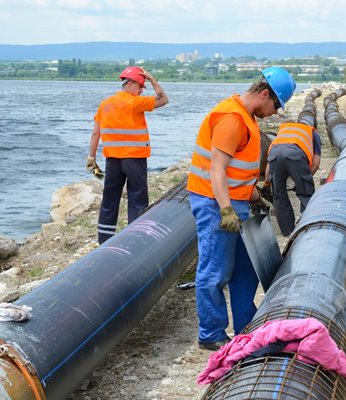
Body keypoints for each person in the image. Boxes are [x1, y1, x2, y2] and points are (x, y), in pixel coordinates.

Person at [187, 67, 296, 350]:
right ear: (264, 94)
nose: (274, 113)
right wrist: (225, 210)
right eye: (275, 105)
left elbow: (238, 169)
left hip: (236, 202)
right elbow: (218, 170)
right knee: (215, 271)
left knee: (246, 269)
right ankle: (211, 334)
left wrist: (252, 196)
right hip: (215, 203)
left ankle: (246, 326)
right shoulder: (232, 118)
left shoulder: (246, 116)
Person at [87, 66, 168, 244]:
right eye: (140, 87)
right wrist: (152, 78)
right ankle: (136, 240)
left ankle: (104, 240)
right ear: (130, 84)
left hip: (112, 160)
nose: (140, 92)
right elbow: (163, 100)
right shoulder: (134, 102)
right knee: (137, 198)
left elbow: (95, 133)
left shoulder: (105, 104)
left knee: (110, 199)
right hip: (134, 159)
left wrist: (91, 158)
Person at [262, 122, 321, 236]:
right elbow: (316, 164)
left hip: (274, 153)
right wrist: (303, 180)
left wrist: (266, 183)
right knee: (306, 193)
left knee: (278, 195)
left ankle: (288, 231)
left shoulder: (284, 129)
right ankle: (306, 227)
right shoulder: (312, 132)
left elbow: (269, 166)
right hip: (295, 154)